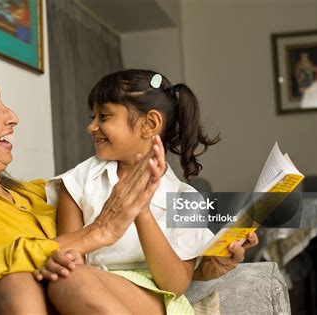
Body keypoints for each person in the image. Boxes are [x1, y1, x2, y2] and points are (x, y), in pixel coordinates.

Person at [0, 59, 166, 315]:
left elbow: (169, 203)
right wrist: (92, 235)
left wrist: (208, 251)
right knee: (19, 282)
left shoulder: (34, 192)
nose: (12, 117)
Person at [36, 70, 259, 314]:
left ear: (149, 124)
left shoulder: (186, 199)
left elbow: (175, 285)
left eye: (104, 116)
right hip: (85, 286)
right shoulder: (78, 180)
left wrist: (141, 211)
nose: (91, 126)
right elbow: (70, 251)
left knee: (71, 280)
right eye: (93, 116)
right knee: (67, 278)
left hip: (150, 296)